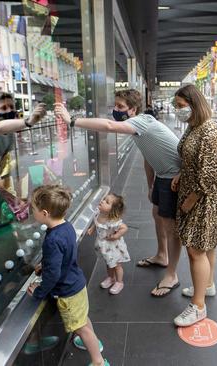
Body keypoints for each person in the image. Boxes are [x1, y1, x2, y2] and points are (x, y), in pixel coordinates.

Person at [54, 89, 183, 297]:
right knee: (157, 215)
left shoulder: (141, 121)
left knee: (171, 227)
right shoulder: (138, 128)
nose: (116, 110)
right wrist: (151, 185)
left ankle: (172, 275)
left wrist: (72, 120)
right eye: (115, 106)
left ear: (133, 110)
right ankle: (162, 255)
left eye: (121, 107)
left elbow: (108, 125)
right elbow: (148, 156)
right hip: (163, 176)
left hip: (174, 177)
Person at [171, 84, 217, 327]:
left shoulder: (209, 131)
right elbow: (190, 159)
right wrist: (180, 174)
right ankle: (206, 285)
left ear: (194, 104)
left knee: (195, 249)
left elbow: (209, 176)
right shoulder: (193, 127)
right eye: (176, 106)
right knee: (206, 246)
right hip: (196, 193)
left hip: (205, 199)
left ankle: (198, 307)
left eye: (180, 106)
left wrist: (188, 202)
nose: (178, 110)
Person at [26, 185, 108, 366]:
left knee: (80, 327)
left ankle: (98, 362)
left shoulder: (52, 240)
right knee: (83, 320)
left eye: (34, 209)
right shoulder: (66, 226)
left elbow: (54, 274)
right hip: (76, 283)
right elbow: (61, 257)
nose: (32, 212)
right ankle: (91, 343)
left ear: (45, 213)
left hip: (68, 292)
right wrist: (45, 264)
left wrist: (39, 291)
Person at [86, 193, 130, 295]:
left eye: (107, 202)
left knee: (117, 265)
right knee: (109, 264)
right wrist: (92, 229)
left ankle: (119, 282)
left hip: (114, 246)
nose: (102, 201)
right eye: (104, 199)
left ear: (112, 210)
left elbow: (124, 228)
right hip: (104, 246)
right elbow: (96, 223)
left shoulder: (113, 221)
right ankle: (111, 278)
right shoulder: (99, 214)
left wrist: (116, 236)